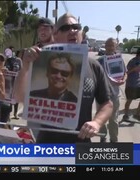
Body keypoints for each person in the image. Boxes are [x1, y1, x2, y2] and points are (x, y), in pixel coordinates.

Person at [14, 13, 113, 143]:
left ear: (81, 34)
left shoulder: (94, 66)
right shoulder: (39, 61)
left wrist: (97, 122)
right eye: (65, 28)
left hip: (80, 146)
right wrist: (26, 66)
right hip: (47, 147)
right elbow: (19, 97)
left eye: (76, 27)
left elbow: (107, 103)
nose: (72, 31)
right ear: (55, 35)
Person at [97, 37, 126, 143]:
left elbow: (125, 72)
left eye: (111, 45)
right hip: (102, 95)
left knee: (113, 120)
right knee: (101, 119)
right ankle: (102, 137)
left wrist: (123, 80)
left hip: (115, 96)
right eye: (107, 45)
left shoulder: (119, 60)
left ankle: (114, 140)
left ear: (115, 47)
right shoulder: (99, 61)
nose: (109, 47)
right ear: (105, 46)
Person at [122, 48, 140, 121]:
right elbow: (126, 72)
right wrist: (134, 69)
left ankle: (137, 114)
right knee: (129, 100)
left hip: (138, 84)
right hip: (131, 84)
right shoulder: (132, 61)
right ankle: (126, 115)